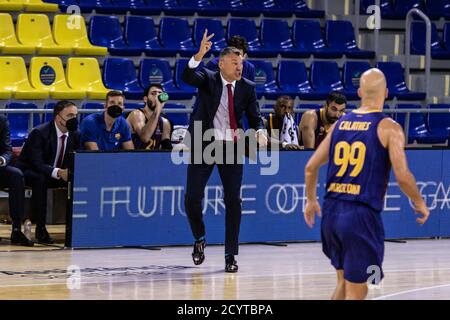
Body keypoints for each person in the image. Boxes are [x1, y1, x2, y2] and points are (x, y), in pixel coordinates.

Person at [303, 68, 430, 300]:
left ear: (360, 92)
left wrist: (311, 200)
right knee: (357, 290)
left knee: (343, 284)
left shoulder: (339, 125)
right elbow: (402, 175)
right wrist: (419, 201)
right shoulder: (389, 127)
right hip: (360, 216)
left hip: (331, 212)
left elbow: (310, 167)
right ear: (387, 93)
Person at [181, 31, 267, 273]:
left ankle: (231, 255)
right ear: (222, 64)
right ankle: (199, 238)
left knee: (233, 201)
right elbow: (187, 76)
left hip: (231, 147)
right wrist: (198, 55)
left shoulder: (247, 88)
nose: (240, 67)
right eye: (234, 63)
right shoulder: (208, 78)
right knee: (192, 198)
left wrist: (259, 131)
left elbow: (255, 117)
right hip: (204, 143)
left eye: (241, 63)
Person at [15, 100, 80, 244]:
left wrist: (69, 172)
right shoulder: (40, 132)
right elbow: (36, 163)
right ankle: (41, 229)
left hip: (56, 172)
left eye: (76, 115)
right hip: (29, 171)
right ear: (58, 118)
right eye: (70, 115)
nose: (74, 119)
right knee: (40, 179)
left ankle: (77, 228)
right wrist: (58, 172)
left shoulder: (76, 135)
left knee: (78, 179)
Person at [126, 84, 172, 150]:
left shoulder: (165, 122)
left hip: (153, 158)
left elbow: (167, 148)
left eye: (160, 94)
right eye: (153, 94)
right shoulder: (136, 114)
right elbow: (144, 138)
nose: (157, 97)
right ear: (145, 99)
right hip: (133, 157)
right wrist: (157, 110)